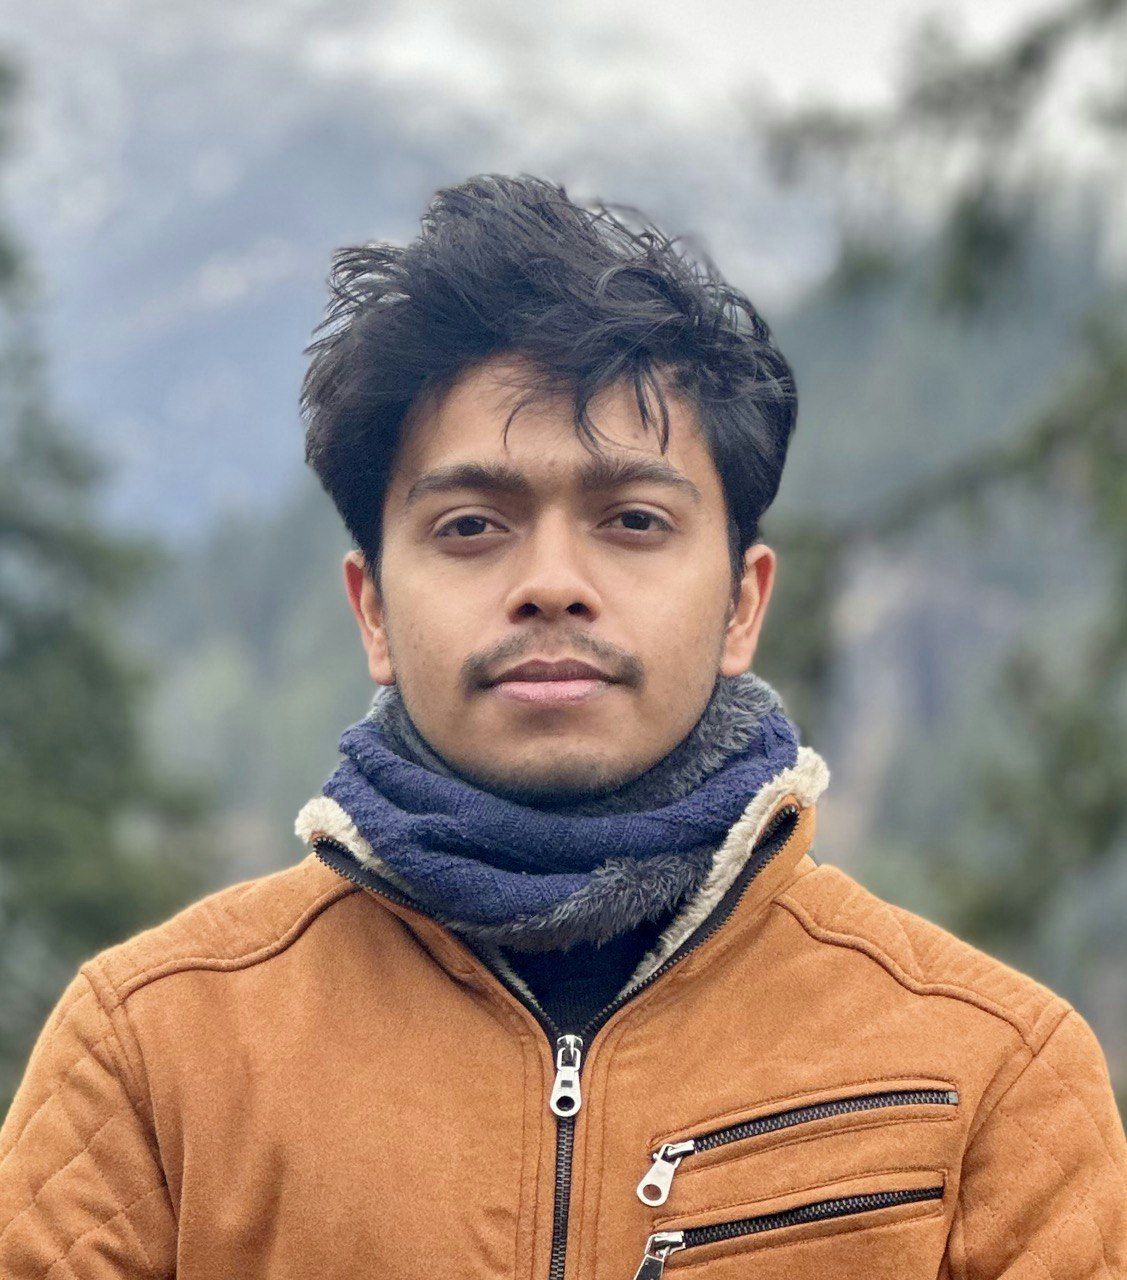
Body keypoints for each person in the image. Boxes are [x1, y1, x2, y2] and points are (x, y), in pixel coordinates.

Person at [1, 174, 1124, 1279]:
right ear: (373, 609)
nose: (550, 584)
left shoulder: (987, 1075)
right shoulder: (154, 1054)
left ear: (741, 605)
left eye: (631, 519)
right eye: (470, 525)